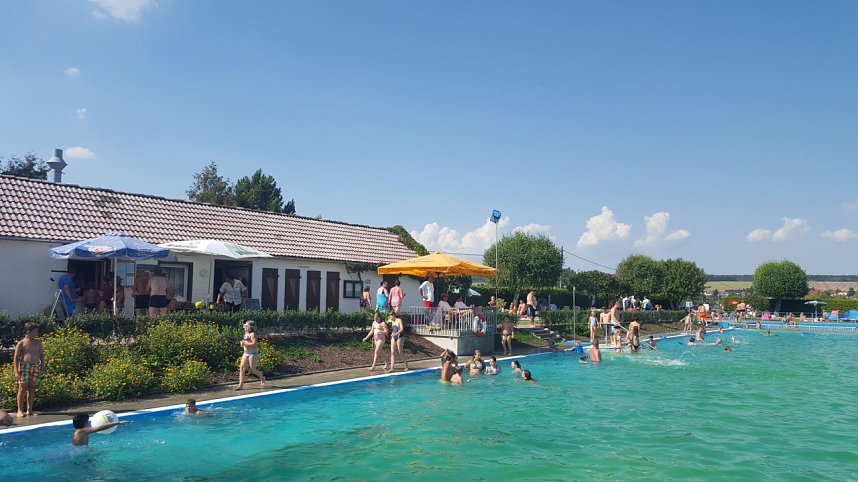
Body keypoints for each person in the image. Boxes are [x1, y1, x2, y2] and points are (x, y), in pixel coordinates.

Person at [13, 322, 44, 418]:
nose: (37, 334)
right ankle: (19, 410)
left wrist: (42, 366)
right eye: (35, 332)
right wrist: (16, 372)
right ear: (28, 332)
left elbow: (41, 355)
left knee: (32, 388)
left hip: (35, 366)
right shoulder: (21, 343)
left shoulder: (38, 342)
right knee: (22, 388)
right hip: (24, 366)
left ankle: (29, 410)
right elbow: (16, 358)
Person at [235, 320, 266, 390]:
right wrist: (242, 345)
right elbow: (245, 343)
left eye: (246, 326)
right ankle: (240, 385)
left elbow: (254, 344)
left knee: (253, 370)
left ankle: (262, 376)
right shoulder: (246, 333)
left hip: (253, 354)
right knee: (242, 368)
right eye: (244, 325)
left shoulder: (253, 334)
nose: (244, 327)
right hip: (245, 353)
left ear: (250, 327)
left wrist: (245, 344)